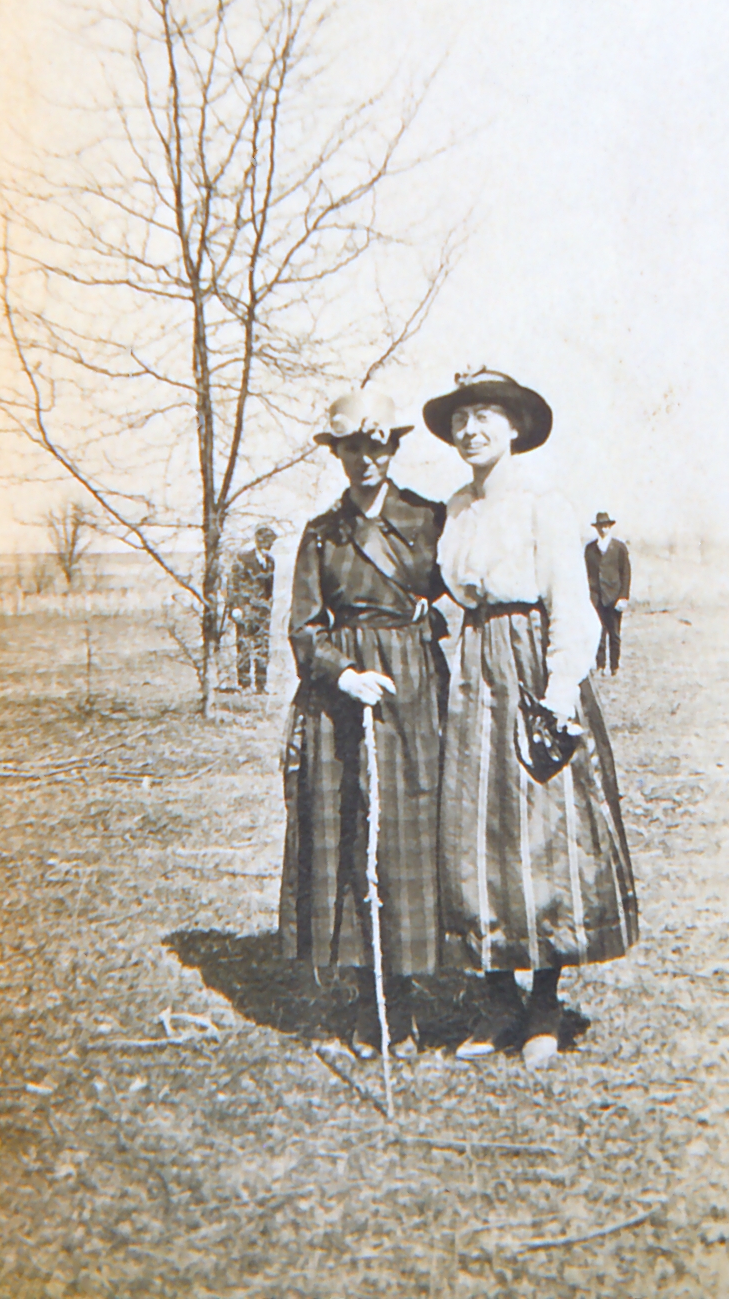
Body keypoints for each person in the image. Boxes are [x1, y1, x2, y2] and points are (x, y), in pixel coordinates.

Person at [422, 369, 638, 1070]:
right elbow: (446, 588)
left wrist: (557, 692)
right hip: (474, 670)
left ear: (514, 427)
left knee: (542, 834)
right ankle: (497, 1001)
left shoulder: (544, 504)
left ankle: (544, 1004)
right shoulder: (454, 508)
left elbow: (569, 606)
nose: (470, 430)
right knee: (473, 832)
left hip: (529, 668)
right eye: (460, 420)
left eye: (485, 416)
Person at [278, 388, 448, 1059]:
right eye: (352, 447)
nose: (365, 460)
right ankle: (363, 994)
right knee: (348, 831)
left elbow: (469, 588)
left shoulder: (429, 518)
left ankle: (402, 1000)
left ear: (395, 448)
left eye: (377, 445)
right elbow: (302, 627)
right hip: (344, 697)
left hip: (413, 689)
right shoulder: (322, 533)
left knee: (406, 834)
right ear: (337, 453)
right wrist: (342, 674)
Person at [227, 525, 277, 691]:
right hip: (246, 609)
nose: (268, 545)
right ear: (258, 541)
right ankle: (245, 684)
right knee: (244, 646)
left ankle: (261, 685)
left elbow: (269, 588)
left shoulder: (270, 562)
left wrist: (269, 606)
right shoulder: (243, 559)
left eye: (270, 542)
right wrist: (235, 607)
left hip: (262, 612)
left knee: (263, 647)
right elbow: (233, 584)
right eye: (265, 541)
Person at [585, 511, 631, 675]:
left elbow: (625, 573)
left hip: (614, 597)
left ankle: (614, 666)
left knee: (614, 634)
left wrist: (623, 597)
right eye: (600, 526)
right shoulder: (590, 549)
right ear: (596, 528)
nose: (603, 529)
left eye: (606, 526)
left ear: (610, 527)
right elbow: (587, 574)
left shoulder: (619, 548)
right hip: (596, 598)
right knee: (599, 632)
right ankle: (600, 665)